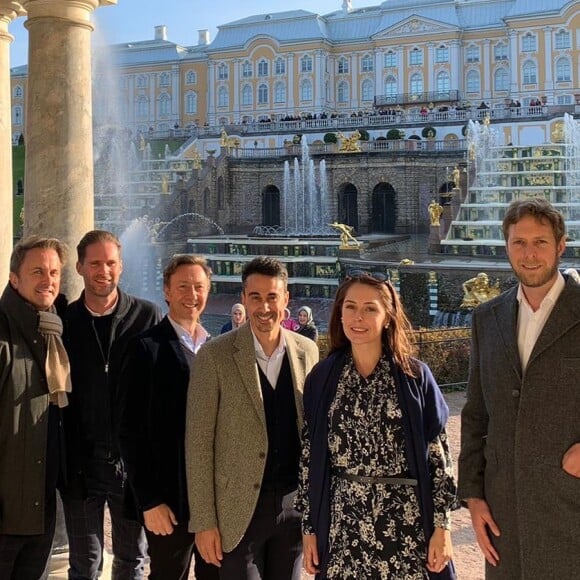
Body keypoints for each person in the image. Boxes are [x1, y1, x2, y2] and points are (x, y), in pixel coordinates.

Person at [295, 270, 457, 579]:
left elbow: (439, 458)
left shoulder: (414, 378)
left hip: (405, 525)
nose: (359, 316)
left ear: (388, 316)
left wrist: (442, 527)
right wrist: (309, 528)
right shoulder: (323, 378)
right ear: (340, 313)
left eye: (370, 308)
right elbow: (309, 459)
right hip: (344, 526)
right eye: (351, 307)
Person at [459, 198, 580, 579]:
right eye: (519, 243)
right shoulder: (486, 317)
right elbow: (476, 413)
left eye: (540, 242)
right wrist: (473, 496)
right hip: (504, 510)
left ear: (561, 245)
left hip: (570, 504)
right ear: (506, 247)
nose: (529, 254)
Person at [185, 256, 319, 579]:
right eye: (255, 297)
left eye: (272, 296)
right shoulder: (214, 356)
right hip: (237, 512)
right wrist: (203, 522)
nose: (264, 307)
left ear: (286, 299)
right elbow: (198, 443)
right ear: (243, 299)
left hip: (293, 510)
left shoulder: (307, 351)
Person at [62, 230, 162, 580]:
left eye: (110, 263)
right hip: (80, 467)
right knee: (83, 564)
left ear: (121, 266)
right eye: (95, 264)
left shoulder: (147, 317)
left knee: (131, 560)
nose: (103, 271)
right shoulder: (64, 322)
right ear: (79, 267)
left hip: (131, 467)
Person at [119, 255, 218, 580]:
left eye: (199, 287)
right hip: (168, 504)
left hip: (212, 502)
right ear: (167, 291)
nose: (192, 294)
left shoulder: (216, 350)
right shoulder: (146, 349)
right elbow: (130, 433)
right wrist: (149, 501)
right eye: (183, 287)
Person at [0, 236, 69, 579]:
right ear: (14, 278)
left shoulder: (53, 331)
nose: (49, 280)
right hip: (6, 514)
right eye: (38, 271)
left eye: (55, 272)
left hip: (40, 511)